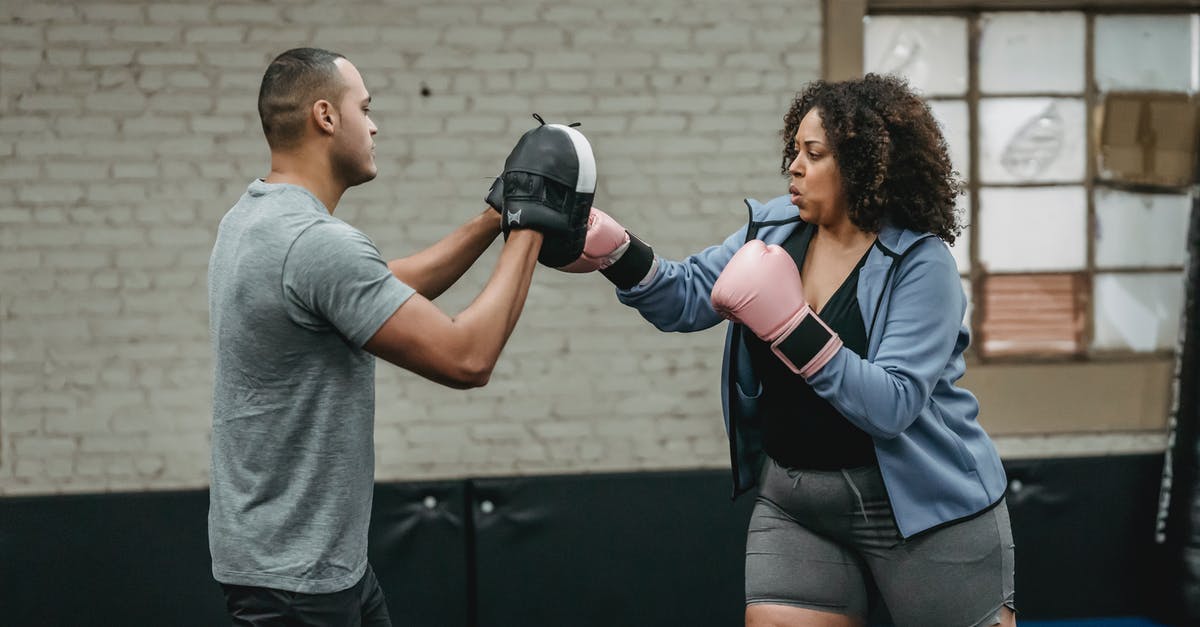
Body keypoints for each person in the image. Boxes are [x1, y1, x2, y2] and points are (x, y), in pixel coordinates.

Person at [554, 74, 1016, 627]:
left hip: (922, 511)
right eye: (793, 150)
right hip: (798, 504)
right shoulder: (773, 228)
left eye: (813, 153)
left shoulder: (920, 264)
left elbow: (891, 405)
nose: (793, 166)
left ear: (862, 165)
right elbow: (683, 298)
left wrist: (794, 327)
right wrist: (617, 252)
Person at [207, 48, 591, 625]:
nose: (375, 123)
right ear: (325, 117)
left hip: (316, 565)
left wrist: (494, 217)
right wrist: (531, 222)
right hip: (297, 585)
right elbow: (468, 358)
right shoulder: (316, 243)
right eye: (365, 108)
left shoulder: (254, 218)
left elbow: (379, 288)